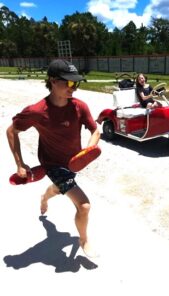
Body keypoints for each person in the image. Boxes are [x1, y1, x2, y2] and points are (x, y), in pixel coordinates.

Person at [6, 58, 100, 258]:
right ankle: (84, 240)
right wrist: (19, 164)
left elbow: (95, 130)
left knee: (61, 188)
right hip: (53, 164)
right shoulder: (37, 111)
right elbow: (11, 131)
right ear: (52, 80)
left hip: (73, 163)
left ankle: (45, 196)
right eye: (67, 82)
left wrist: (86, 153)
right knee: (83, 206)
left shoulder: (79, 107)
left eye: (75, 83)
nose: (73, 87)